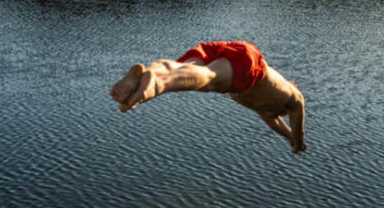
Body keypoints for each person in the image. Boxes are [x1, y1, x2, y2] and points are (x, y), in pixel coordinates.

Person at [110, 40, 306, 153]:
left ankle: (145, 75)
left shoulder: (267, 109)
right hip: (249, 68)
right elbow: (298, 114)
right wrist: (299, 143)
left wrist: (290, 139)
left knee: (182, 68)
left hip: (233, 50)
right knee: (209, 79)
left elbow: (275, 124)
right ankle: (158, 85)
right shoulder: (293, 98)